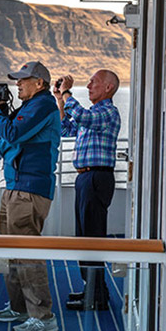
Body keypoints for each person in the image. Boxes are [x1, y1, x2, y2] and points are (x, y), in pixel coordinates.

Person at [0, 61, 61, 331]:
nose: (17, 84)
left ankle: (43, 316)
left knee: (27, 253)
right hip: (15, 186)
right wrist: (0, 109)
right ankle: (20, 307)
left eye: (23, 80)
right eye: (17, 80)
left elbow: (12, 133)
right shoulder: (29, 106)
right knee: (12, 250)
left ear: (40, 83)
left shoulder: (44, 105)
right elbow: (12, 132)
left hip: (30, 189)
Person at [55, 69, 121, 311]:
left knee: (92, 238)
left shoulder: (108, 112)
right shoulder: (93, 113)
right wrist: (60, 100)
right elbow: (65, 129)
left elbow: (82, 118)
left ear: (108, 88)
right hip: (86, 178)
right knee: (84, 238)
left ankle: (96, 296)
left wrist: (67, 92)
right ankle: (92, 291)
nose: (88, 85)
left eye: (94, 82)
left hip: (96, 177)